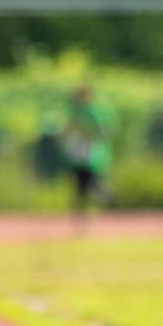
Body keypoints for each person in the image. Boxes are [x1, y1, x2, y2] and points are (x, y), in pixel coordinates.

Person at [62, 85, 114, 224]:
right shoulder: (76, 111)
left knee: (88, 179)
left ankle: (103, 195)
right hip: (78, 150)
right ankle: (81, 214)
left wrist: (88, 133)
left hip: (89, 150)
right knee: (80, 183)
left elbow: (103, 131)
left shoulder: (92, 112)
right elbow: (70, 128)